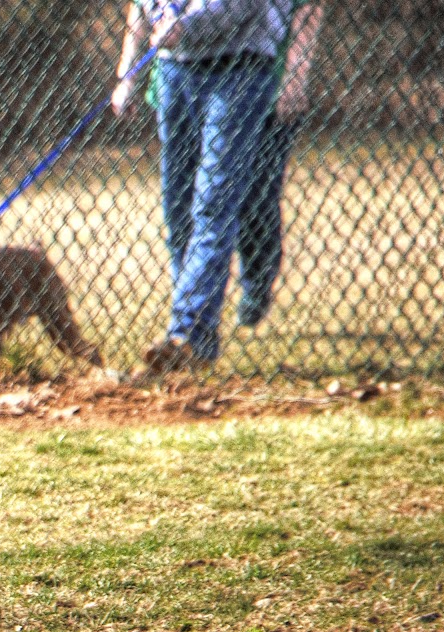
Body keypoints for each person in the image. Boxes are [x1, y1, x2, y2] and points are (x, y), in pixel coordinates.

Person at [113, 0, 293, 371]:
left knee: (213, 206)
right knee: (177, 212)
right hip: (174, 71)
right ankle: (197, 343)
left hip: (239, 69)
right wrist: (128, 74)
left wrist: (187, 27)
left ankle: (186, 335)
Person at [236, 2, 321, 327]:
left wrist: (296, 76)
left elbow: (309, 11)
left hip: (271, 89)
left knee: (256, 195)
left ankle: (256, 288)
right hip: (220, 82)